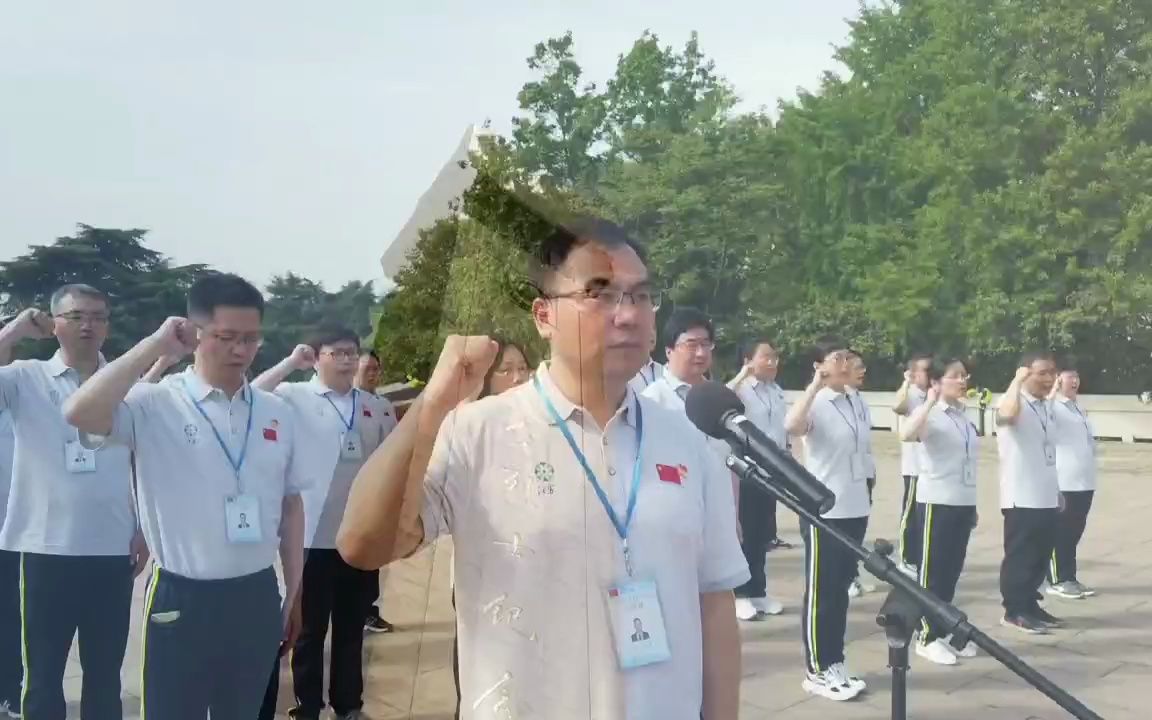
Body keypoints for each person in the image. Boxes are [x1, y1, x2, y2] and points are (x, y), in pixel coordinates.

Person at [337, 217, 749, 720]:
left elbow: (714, 600)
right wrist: (431, 405)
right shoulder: (476, 431)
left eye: (641, 296)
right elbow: (363, 546)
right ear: (543, 315)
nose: (627, 314)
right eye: (599, 293)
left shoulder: (687, 438)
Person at [63, 273, 308, 720]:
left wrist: (295, 589)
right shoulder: (154, 404)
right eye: (225, 337)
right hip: (182, 596)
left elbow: (291, 505)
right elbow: (79, 411)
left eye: (251, 339)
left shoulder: (277, 414)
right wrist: (155, 345)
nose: (240, 350)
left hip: (255, 593)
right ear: (195, 334)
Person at [0, 288, 147, 720]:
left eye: (98, 317)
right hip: (45, 550)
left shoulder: (126, 384)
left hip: (111, 549)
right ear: (54, 322)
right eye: (76, 316)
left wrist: (143, 527)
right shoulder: (24, 378)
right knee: (42, 676)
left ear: (109, 325)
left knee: (105, 675)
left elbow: (142, 459)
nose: (88, 326)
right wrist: (12, 332)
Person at [253, 328, 399, 720]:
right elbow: (250, 393)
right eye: (338, 353)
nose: (349, 361)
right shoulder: (293, 397)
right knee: (309, 630)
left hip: (359, 536)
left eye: (353, 353)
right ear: (317, 358)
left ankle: (349, 704)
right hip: (311, 537)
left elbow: (392, 462)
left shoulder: (373, 406)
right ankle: (308, 704)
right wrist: (289, 363)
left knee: (352, 628)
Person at [449, 337, 534, 719]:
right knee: (482, 663)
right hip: (485, 568)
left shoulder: (541, 424)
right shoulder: (471, 424)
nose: (518, 378)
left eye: (523, 368)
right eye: (506, 369)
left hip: (534, 564)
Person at [783, 338, 870, 702]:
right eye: (839, 358)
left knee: (840, 589)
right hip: (825, 511)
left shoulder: (856, 400)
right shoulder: (816, 401)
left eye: (848, 357)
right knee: (822, 590)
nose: (847, 363)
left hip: (855, 507)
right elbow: (792, 426)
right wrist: (816, 384)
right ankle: (817, 668)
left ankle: (835, 659)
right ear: (820, 364)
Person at [899, 358, 980, 666]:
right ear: (936, 382)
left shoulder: (962, 415)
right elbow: (906, 434)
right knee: (932, 573)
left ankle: (943, 628)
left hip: (961, 501)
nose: (962, 380)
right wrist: (929, 402)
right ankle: (925, 636)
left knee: (951, 571)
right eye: (955, 376)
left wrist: (972, 505)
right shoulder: (930, 414)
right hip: (936, 502)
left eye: (964, 375)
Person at [995, 351, 1064, 634]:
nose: (1049, 379)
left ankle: (1030, 603)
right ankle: (1014, 610)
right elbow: (1006, 416)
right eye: (1042, 373)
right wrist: (1017, 381)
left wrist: (1056, 490)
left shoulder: (1044, 406)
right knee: (1020, 555)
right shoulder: (1012, 401)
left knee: (1039, 556)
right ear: (1025, 373)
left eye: (1052, 372)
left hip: (1045, 493)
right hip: (1021, 494)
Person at [725, 339, 792, 619]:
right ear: (749, 360)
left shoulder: (775, 391)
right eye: (766, 357)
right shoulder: (741, 390)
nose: (773, 362)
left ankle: (758, 591)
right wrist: (743, 373)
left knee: (763, 534)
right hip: (746, 469)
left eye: (775, 357)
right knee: (745, 532)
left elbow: (782, 429)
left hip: (771, 471)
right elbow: (722, 398)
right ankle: (740, 594)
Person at [353, 350, 397, 635]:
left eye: (376, 368)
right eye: (367, 367)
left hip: (373, 490)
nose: (373, 372)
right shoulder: (345, 402)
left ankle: (369, 611)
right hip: (344, 492)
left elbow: (394, 445)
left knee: (371, 555)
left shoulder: (383, 405)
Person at [1046, 364, 1098, 600]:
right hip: (1064, 480)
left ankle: (1069, 576)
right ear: (1058, 380)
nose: (1074, 381)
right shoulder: (1053, 407)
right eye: (1069, 377)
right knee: (1061, 531)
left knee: (1074, 532)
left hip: (1083, 481)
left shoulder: (1076, 408)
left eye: (1076, 376)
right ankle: (1056, 579)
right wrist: (1051, 392)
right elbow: (1042, 417)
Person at [892, 353, 932, 577]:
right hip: (914, 467)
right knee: (910, 514)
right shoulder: (911, 394)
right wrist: (906, 382)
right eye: (925, 370)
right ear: (914, 373)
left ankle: (920, 557)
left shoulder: (932, 395)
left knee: (923, 516)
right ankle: (906, 559)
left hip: (930, 467)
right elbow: (897, 406)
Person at [844, 352, 877, 599]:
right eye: (857, 367)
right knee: (844, 532)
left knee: (859, 528)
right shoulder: (836, 400)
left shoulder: (859, 399)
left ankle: (852, 573)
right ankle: (846, 577)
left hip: (863, 471)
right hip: (844, 477)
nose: (862, 371)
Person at [0, 317, 19, 719]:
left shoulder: (21, 393)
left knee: (14, 623)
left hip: (15, 533)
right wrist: (13, 330)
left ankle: (11, 697)